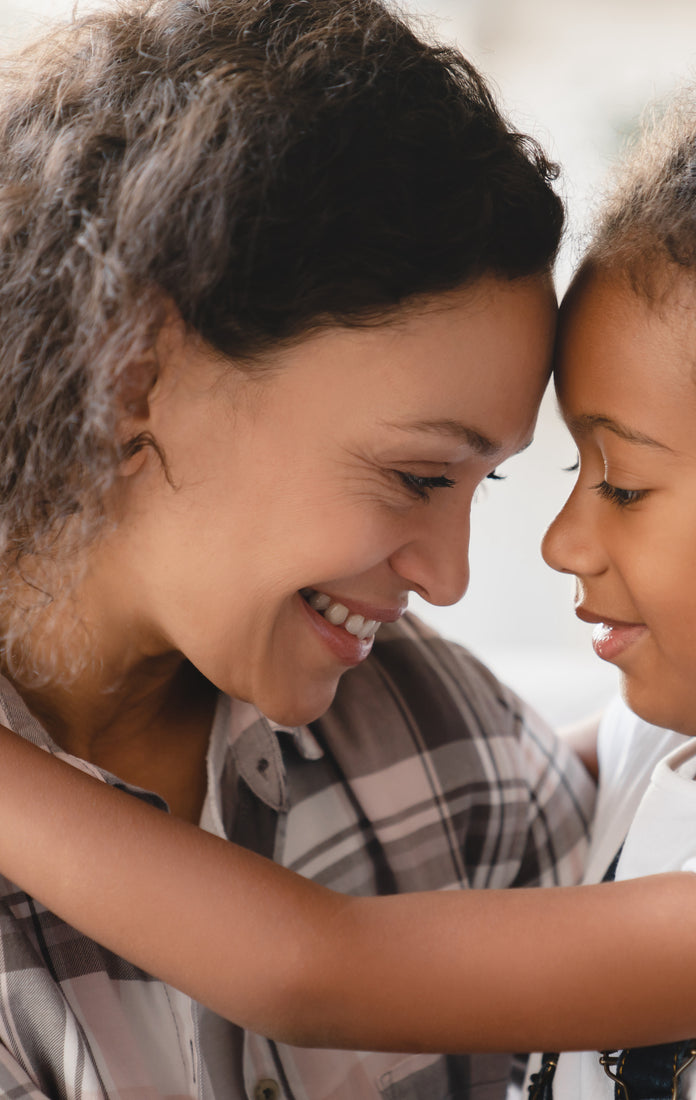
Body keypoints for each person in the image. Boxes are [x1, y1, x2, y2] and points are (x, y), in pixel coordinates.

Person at [0, 44, 696, 1099]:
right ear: (136, 372)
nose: (536, 551)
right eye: (418, 471)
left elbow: (316, 967)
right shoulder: (676, 753)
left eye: (621, 487)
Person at [0, 1, 595, 1097]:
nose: (446, 576)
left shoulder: (453, 747)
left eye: (482, 481)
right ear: (136, 373)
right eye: (417, 475)